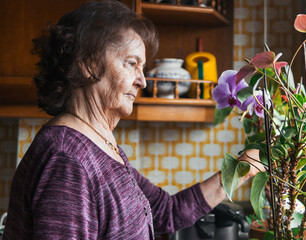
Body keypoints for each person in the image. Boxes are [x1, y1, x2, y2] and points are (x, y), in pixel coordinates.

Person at [3, 1, 261, 239]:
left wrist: (241, 168)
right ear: (88, 64)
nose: (143, 80)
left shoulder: (99, 146)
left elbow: (165, 212)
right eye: (131, 63)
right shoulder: (67, 159)